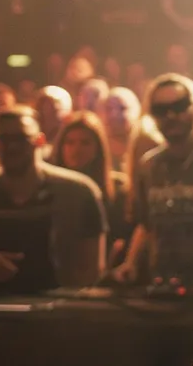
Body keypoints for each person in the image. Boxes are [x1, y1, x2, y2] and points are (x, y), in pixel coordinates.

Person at [0, 107, 106, 295]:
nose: (12, 147)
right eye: (5, 139)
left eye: (20, 138)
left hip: (59, 315)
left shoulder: (77, 192)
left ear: (39, 140)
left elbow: (91, 271)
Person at [112, 74, 193, 286]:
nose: (170, 115)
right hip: (161, 286)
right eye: (160, 110)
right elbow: (145, 224)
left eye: (179, 106)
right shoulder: (148, 165)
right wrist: (130, 263)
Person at [51, 112, 133, 268]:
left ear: (98, 148)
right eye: (69, 142)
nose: (77, 149)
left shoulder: (119, 190)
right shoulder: (49, 190)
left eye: (85, 143)